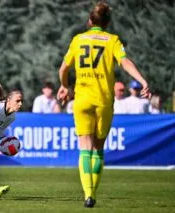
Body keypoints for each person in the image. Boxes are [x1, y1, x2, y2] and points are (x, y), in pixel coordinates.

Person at [56, 1, 151, 208]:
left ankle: (88, 194)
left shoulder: (78, 40)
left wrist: (65, 87)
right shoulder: (112, 40)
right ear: (107, 23)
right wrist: (143, 81)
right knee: (98, 149)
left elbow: (63, 69)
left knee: (84, 148)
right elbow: (125, 62)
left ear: (90, 21)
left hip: (82, 100)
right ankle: (94, 193)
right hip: (104, 101)